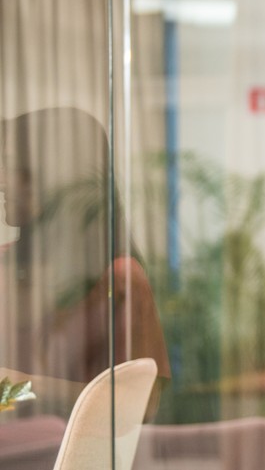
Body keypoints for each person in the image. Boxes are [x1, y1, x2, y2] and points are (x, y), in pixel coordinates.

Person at [0, 107, 170, 468]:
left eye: (14, 168)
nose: (2, 181)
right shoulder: (5, 263)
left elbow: (139, 405)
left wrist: (17, 388)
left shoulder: (118, 280)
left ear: (52, 173)